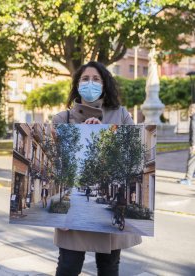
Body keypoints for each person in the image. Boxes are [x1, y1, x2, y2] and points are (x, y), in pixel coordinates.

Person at [52, 61, 141, 276]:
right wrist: (56, 214)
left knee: (109, 267)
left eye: (95, 79)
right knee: (68, 266)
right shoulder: (61, 119)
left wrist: (107, 133)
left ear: (104, 84)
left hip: (107, 224)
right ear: (77, 84)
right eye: (84, 79)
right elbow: (55, 165)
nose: (89, 83)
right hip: (71, 218)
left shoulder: (121, 116)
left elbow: (134, 154)